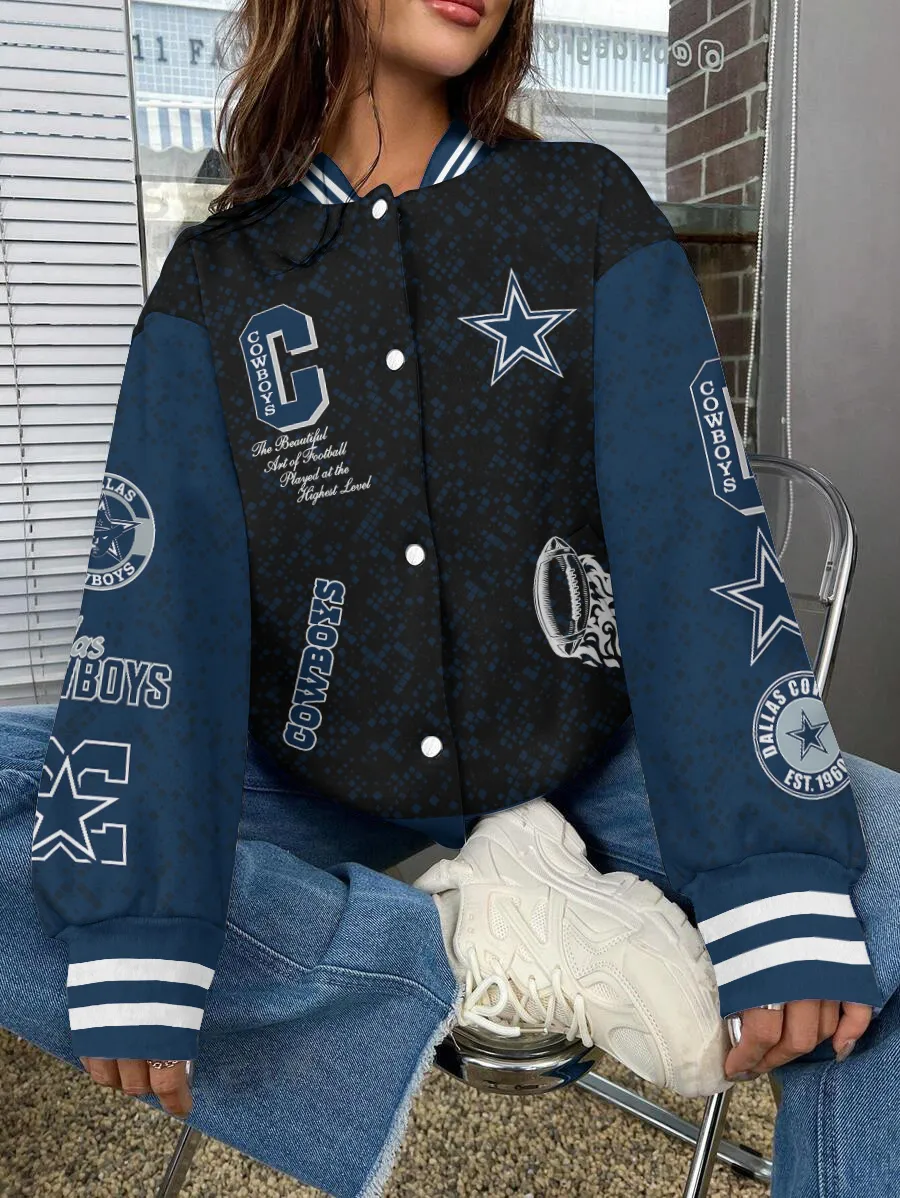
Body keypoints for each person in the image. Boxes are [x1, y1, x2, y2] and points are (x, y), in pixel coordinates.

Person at [1, 0, 898, 1195]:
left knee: (888, 873)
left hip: (589, 756)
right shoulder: (217, 282)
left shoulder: (584, 207)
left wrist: (772, 867)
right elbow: (159, 602)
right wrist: (140, 919)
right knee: (55, 817)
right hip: (317, 777)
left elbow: (694, 538)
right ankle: (428, 951)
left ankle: (480, 914)